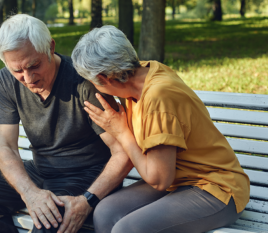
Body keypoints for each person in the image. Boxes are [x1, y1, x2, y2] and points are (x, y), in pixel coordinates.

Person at [0, 15, 133, 233]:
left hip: (86, 175)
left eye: (34, 65)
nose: (28, 78)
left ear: (50, 47)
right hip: (42, 171)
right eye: (18, 70)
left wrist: (86, 200)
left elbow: (122, 152)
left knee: (46, 225)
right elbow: (6, 147)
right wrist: (29, 192)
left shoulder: (83, 82)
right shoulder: (6, 81)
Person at [71, 25, 250, 233]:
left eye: (92, 82)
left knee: (127, 229)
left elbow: (158, 179)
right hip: (179, 180)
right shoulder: (147, 70)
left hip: (215, 189)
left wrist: (121, 132)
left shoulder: (158, 98)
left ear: (103, 78)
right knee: (105, 212)